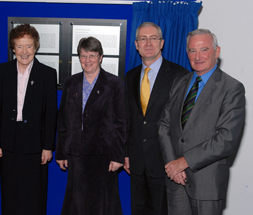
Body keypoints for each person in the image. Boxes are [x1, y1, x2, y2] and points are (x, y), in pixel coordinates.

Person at [158, 29, 245, 215]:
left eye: (204, 49)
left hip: (207, 185)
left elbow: (226, 139)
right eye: (192, 51)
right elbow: (164, 125)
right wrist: (173, 164)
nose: (197, 56)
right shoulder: (180, 82)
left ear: (217, 52)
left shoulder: (232, 88)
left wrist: (183, 162)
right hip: (176, 182)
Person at [0, 24, 57, 215]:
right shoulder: (3, 71)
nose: (24, 51)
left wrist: (48, 146)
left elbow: (51, 113)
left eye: (28, 46)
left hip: (36, 142)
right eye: (20, 46)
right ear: (13, 48)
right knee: (10, 191)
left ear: (36, 47)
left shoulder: (47, 74)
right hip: (8, 140)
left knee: (34, 193)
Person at [56, 36, 126, 215]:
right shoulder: (71, 83)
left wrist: (118, 156)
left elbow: (120, 122)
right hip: (76, 154)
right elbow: (63, 120)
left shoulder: (115, 84)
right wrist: (61, 152)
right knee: (77, 204)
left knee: (102, 204)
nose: (88, 60)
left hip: (104, 155)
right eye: (83, 56)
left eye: (92, 55)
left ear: (101, 57)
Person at [124, 22, 188, 215]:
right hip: (136, 162)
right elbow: (128, 118)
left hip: (165, 162)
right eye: (143, 38)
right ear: (136, 45)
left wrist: (179, 159)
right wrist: (126, 153)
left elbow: (183, 124)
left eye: (153, 38)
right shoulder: (130, 76)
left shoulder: (180, 75)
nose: (148, 43)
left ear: (162, 43)